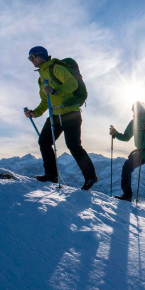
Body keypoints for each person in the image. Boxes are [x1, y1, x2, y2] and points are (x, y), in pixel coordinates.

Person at [24, 46, 98, 190]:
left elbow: (72, 83)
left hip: (71, 113)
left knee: (73, 145)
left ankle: (91, 177)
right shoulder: (41, 78)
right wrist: (34, 113)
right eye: (29, 58)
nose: (31, 60)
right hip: (55, 115)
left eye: (33, 56)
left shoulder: (56, 68)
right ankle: (51, 175)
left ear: (41, 56)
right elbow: (46, 101)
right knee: (44, 142)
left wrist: (56, 90)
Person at [110, 101, 145, 210]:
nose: (135, 112)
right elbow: (126, 137)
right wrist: (115, 133)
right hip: (140, 153)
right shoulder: (133, 122)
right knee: (126, 168)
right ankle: (127, 195)